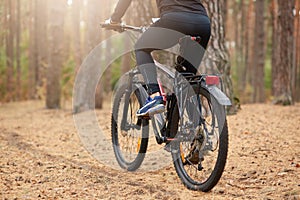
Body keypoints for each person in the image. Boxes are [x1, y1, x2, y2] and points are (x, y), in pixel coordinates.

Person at [106, 0, 211, 117]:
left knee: (141, 48)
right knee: (187, 79)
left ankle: (154, 96)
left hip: (173, 20)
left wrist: (115, 19)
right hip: (203, 23)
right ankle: (196, 126)